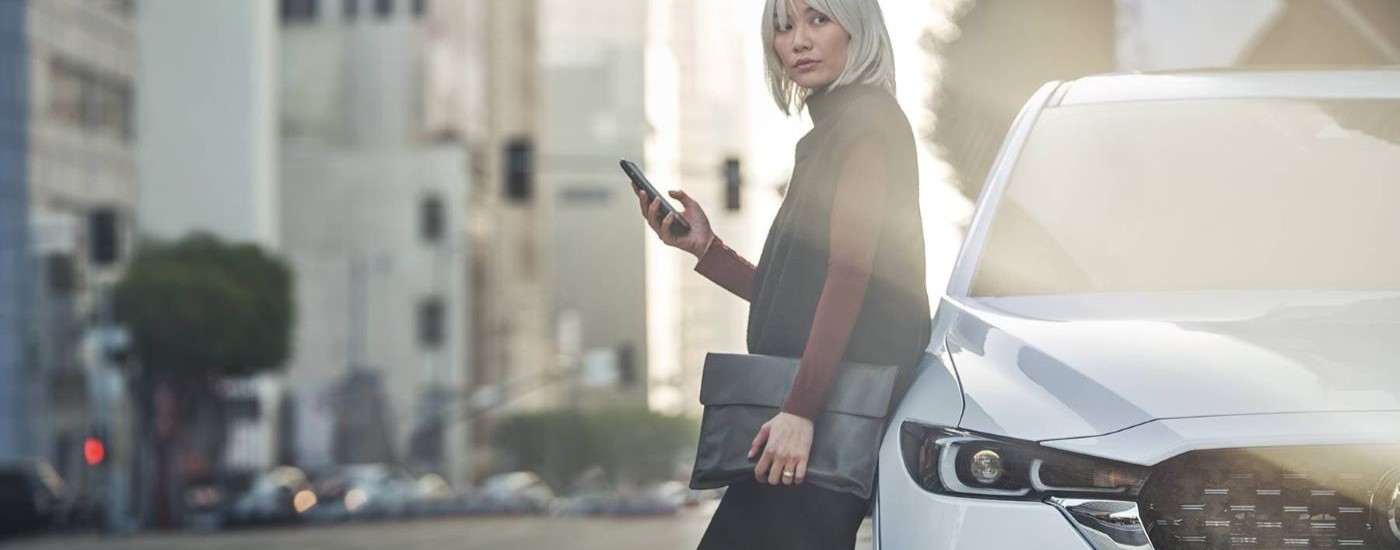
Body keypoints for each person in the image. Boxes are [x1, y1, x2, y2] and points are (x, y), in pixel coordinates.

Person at [634, 0, 930, 547]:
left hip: (828, 410)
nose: (797, 40)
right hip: (814, 407)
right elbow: (798, 295)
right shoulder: (832, 132)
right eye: (782, 26)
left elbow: (849, 275)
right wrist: (708, 249)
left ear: (858, 28)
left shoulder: (866, 125)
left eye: (819, 19)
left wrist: (799, 411)